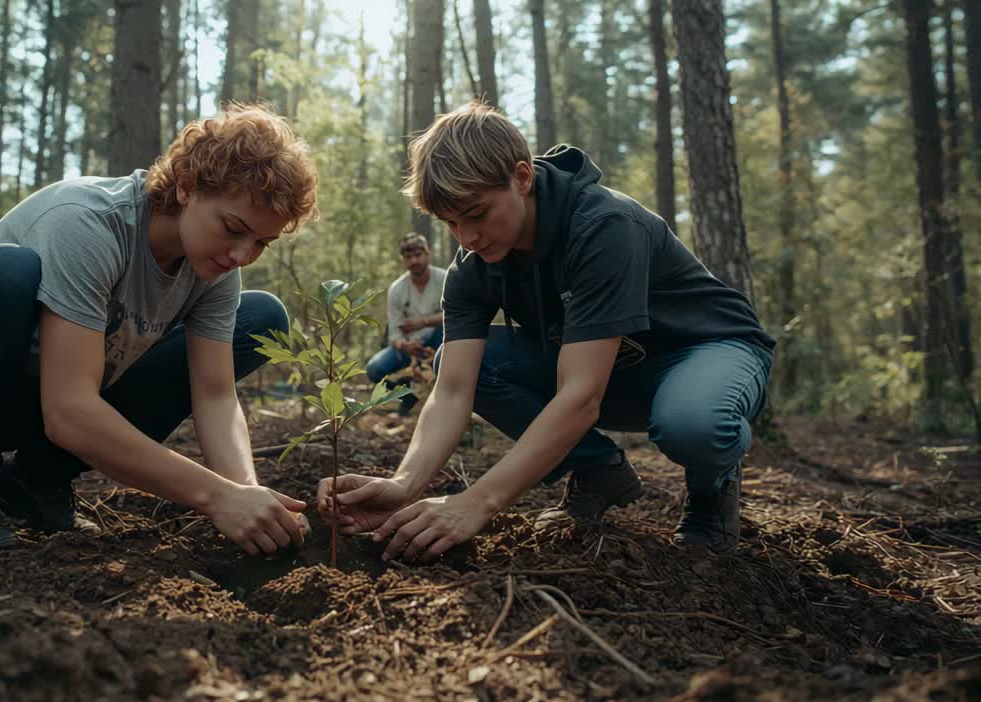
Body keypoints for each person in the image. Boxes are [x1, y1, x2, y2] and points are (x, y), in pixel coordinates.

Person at [318, 103, 774, 559]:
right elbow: (454, 389)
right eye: (451, 223)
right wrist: (404, 485)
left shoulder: (603, 226)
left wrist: (476, 502)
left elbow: (580, 396)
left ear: (521, 178)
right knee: (471, 365)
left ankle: (712, 488)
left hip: (707, 351)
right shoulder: (472, 266)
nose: (467, 238)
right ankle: (598, 471)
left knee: (694, 424)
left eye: (477, 214)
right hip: (616, 371)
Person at [0, 104, 319, 563]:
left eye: (262, 243)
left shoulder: (215, 270)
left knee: (261, 316)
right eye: (233, 229)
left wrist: (246, 495)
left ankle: (37, 480)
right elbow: (68, 412)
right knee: (5, 270)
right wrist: (213, 496)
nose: (243, 255)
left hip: (32, 396)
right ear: (187, 186)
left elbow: (215, 396)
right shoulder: (89, 223)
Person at [364, 233, 448, 415]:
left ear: (428, 254)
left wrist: (423, 322)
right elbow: (394, 332)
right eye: (408, 257)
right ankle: (407, 396)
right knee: (374, 369)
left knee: (446, 330)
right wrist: (404, 345)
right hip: (411, 346)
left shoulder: (444, 278)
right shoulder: (397, 289)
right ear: (403, 260)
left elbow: (456, 314)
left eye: (418, 254)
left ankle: (445, 402)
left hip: (441, 340)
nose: (414, 260)